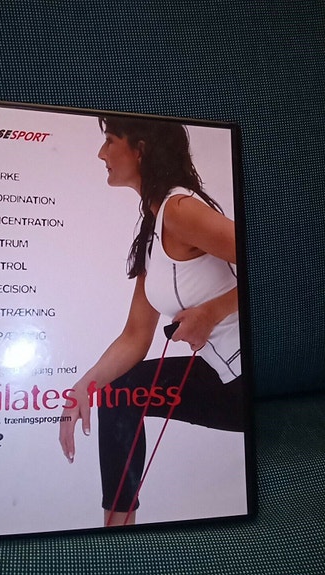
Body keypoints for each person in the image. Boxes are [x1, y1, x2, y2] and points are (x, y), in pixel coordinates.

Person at [59, 116, 245, 527]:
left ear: (140, 149)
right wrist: (82, 388)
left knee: (123, 391)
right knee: (119, 391)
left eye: (110, 141)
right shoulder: (153, 228)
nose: (101, 153)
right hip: (221, 376)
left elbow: (279, 260)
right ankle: (117, 531)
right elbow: (135, 336)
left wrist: (210, 313)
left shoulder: (180, 210)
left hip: (247, 381)